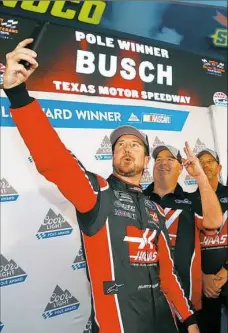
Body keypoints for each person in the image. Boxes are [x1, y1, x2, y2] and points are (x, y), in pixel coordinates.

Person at [2, 39, 200, 333]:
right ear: (112, 155)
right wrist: (18, 94)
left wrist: (190, 320)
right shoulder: (97, 193)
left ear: (146, 159)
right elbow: (54, 160)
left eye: (135, 145)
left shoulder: (154, 208)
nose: (127, 149)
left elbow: (168, 276)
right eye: (120, 145)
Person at [144, 144, 223, 333]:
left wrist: (200, 177)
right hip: (148, 307)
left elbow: (214, 222)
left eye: (170, 158)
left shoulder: (191, 201)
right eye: (159, 159)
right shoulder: (139, 199)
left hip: (187, 307)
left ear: (181, 167)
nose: (163, 162)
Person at [189, 148, 228, 333]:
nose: (205, 165)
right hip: (204, 285)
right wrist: (201, 276)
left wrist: (226, 270)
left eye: (210, 161)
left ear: (219, 167)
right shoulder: (187, 201)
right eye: (201, 161)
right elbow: (184, 246)